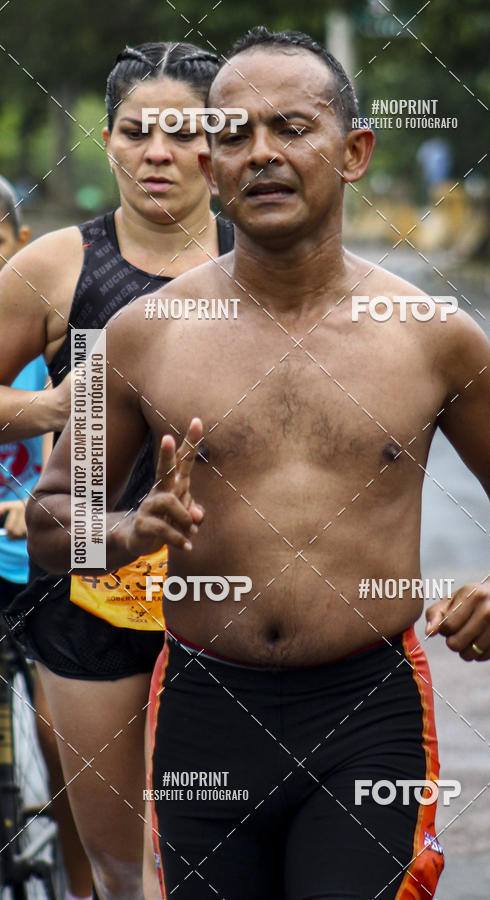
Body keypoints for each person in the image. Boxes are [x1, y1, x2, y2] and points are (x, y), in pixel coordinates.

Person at [27, 27, 490, 900]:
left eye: (291, 128)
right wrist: (126, 530)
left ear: (354, 152)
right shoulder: (144, 335)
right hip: (206, 708)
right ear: (212, 169)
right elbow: (53, 521)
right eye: (233, 134)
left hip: (370, 710)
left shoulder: (431, 334)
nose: (261, 154)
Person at [0, 43, 232, 900]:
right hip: (90, 595)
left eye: (184, 131)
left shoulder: (271, 253)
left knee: (220, 854)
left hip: (233, 595)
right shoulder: (58, 265)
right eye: (138, 133)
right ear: (108, 142)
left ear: (221, 140)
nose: (159, 153)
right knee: (121, 867)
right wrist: (57, 409)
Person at [0, 175, 95, 900]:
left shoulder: (41, 333)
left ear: (20, 247)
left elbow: (89, 451)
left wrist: (33, 502)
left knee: (65, 742)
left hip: (37, 559)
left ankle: (83, 866)